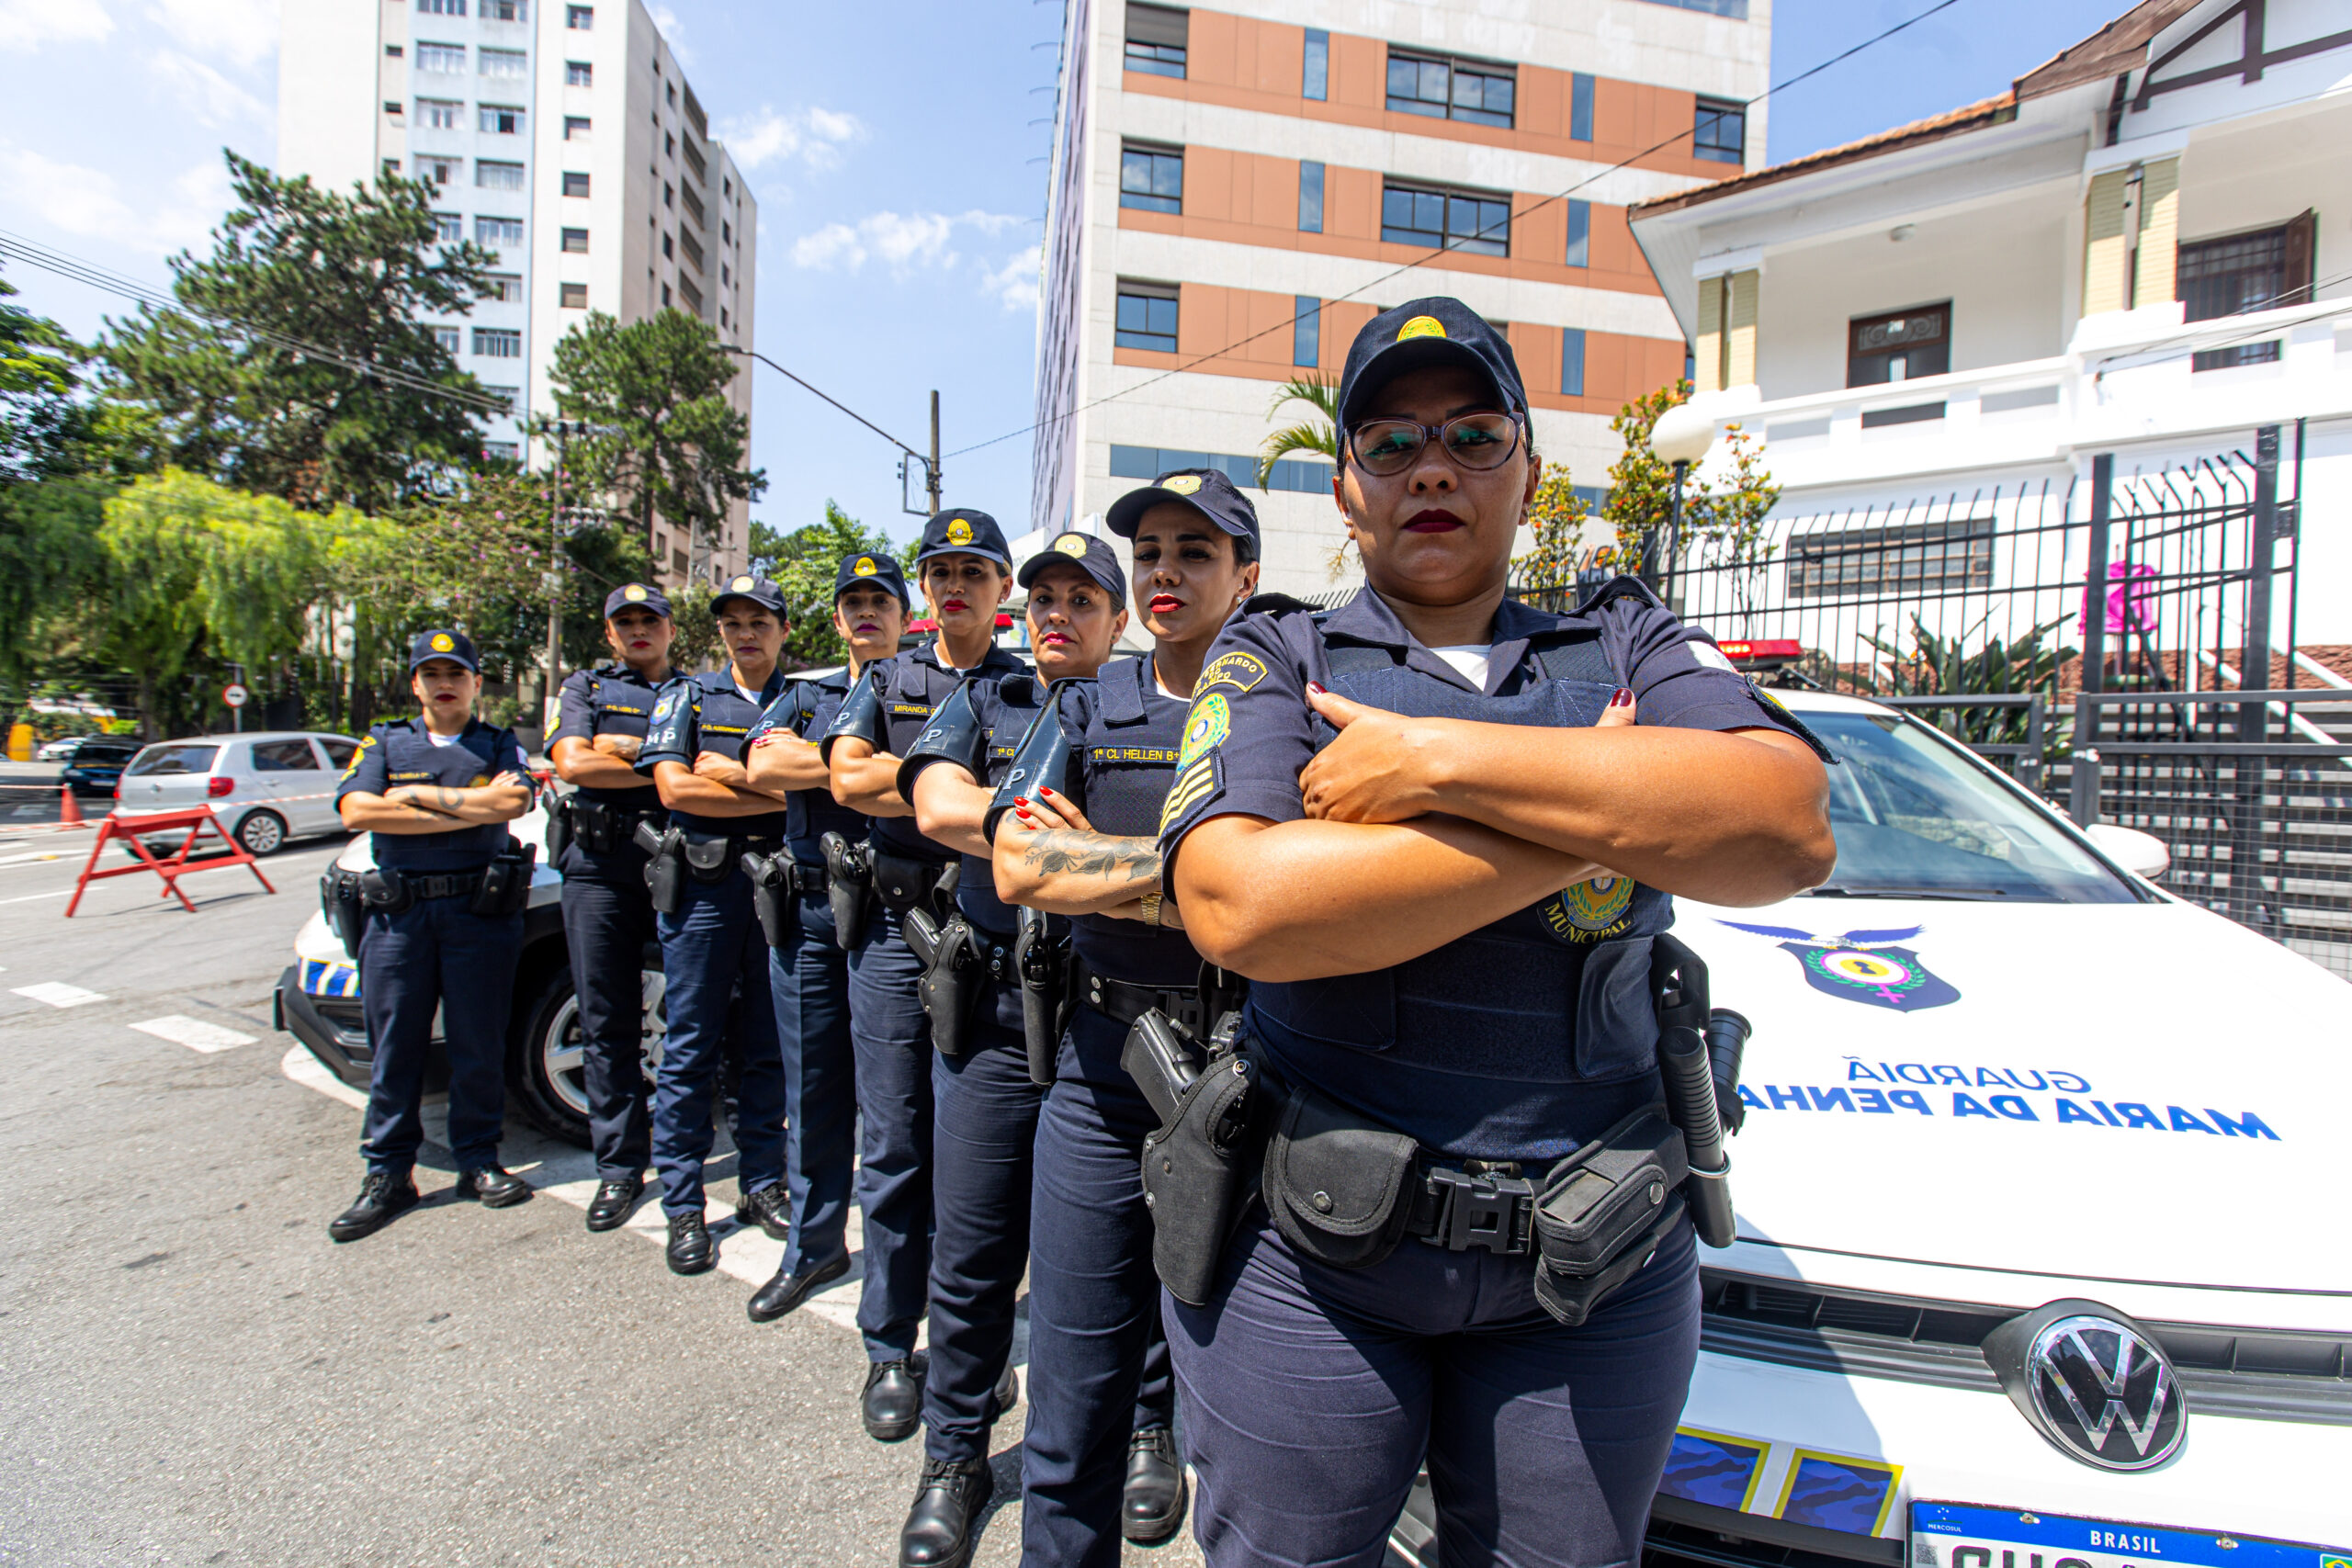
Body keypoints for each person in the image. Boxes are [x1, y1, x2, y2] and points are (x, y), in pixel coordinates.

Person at [1154, 299, 1837, 1567]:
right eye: (1391, 441)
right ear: (1349, 491)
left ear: (1529, 473)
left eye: (1474, 436)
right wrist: (1604, 810)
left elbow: (1784, 823)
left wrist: (1436, 760)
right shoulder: (1277, 649)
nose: (1433, 466)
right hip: (1318, 1260)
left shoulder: (1625, 634)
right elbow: (1241, 905)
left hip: (1594, 1272)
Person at [889, 531, 1129, 1568]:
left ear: (1117, 617)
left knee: (1132, 1264)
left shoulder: (1149, 711)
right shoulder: (987, 701)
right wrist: (1042, 846)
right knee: (974, 1249)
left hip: (1116, 1031)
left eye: (1082, 599)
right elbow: (935, 800)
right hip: (990, 1020)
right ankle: (953, 1457)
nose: (1057, 616)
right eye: (1042, 600)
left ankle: (1147, 1431)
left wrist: (1056, 860)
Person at [822, 508, 1027, 1449]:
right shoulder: (888, 677)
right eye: (939, 572)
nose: (954, 587)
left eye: (972, 572)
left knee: (974, 1162)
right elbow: (843, 777)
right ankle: (886, 1344)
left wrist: (913, 785)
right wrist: (949, 779)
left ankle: (962, 1355)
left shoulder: (1028, 685)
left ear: (1002, 589)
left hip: (990, 938)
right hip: (898, 934)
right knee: (898, 1144)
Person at [738, 552, 910, 1323]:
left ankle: (902, 1273)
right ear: (837, 619)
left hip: (896, 915)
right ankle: (814, 1244)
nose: (867, 611)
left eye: (882, 599)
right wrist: (858, 767)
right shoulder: (804, 694)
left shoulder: (925, 692)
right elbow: (760, 764)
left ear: (907, 618)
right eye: (854, 602)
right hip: (809, 915)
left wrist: (829, 767)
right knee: (811, 1089)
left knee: (893, 1110)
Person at [327, 628, 537, 1242]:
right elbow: (358, 811)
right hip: (400, 916)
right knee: (395, 1046)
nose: (444, 684)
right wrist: (466, 802)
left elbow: (512, 804)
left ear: (476, 681)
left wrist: (414, 794)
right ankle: (388, 1173)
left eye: (456, 673)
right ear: (415, 682)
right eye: (432, 674)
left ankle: (478, 1159)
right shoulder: (386, 739)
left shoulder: (497, 743)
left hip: (479, 911)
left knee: (478, 1041)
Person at [636, 575, 797, 1276]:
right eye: (732, 622)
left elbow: (808, 790)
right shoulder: (689, 696)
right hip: (703, 889)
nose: (745, 633)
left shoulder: (806, 701)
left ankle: (762, 1181)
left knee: (766, 1045)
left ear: (784, 629)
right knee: (691, 1047)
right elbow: (673, 787)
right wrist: (765, 788)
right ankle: (681, 1202)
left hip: (777, 886)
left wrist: (729, 775)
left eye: (758, 620)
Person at [547, 582, 676, 1233]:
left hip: (675, 864)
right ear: (609, 634)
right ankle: (620, 1168)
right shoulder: (585, 690)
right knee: (606, 1019)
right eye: (623, 621)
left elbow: (709, 770)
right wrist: (660, 760)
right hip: (597, 869)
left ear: (669, 628)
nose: (637, 630)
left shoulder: (695, 691)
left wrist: (618, 751)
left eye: (648, 619)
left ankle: (687, 1159)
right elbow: (573, 761)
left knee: (696, 1016)